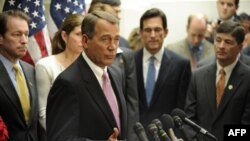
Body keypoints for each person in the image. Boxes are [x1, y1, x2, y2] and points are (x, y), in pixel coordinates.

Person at [46, 10, 127, 141]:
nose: (112, 47)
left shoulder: (117, 73)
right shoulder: (67, 83)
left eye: (116, 39)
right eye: (105, 39)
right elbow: (59, 138)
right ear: (85, 41)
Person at [185, 21, 250, 141]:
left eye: (228, 42)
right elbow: (189, 119)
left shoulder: (247, 78)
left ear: (240, 47)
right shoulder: (197, 76)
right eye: (218, 40)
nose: (221, 46)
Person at [89, 3, 139, 141]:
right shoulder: (84, 55)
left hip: (120, 127)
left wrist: (131, 136)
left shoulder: (125, 56)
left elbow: (132, 101)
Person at [134, 8, 191, 128]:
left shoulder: (181, 65)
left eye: (157, 29)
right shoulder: (129, 61)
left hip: (167, 134)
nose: (153, 35)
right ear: (141, 32)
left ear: (165, 32)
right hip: (136, 133)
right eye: (148, 30)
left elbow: (181, 108)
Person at [35, 13, 84, 131]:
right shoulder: (46, 66)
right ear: (65, 36)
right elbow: (43, 112)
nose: (83, 39)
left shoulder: (91, 66)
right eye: (78, 34)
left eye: (86, 35)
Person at [0, 10, 38, 141]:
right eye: (17, 35)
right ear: (1, 38)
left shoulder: (30, 70)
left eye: (26, 34)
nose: (24, 41)